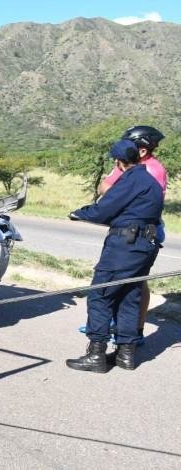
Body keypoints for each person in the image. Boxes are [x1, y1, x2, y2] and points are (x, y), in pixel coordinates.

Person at [66, 139, 163, 373]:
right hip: (145, 245)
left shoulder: (130, 179)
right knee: (129, 296)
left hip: (124, 247)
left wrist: (79, 213)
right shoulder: (150, 181)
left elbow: (105, 209)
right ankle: (126, 355)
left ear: (118, 162)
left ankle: (96, 354)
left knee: (101, 295)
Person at [94, 125, 167, 344]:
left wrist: (118, 193)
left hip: (143, 232)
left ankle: (136, 330)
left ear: (142, 151)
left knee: (135, 284)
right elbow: (103, 187)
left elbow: (120, 195)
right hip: (123, 229)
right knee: (122, 284)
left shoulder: (154, 170)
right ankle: (115, 331)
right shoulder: (127, 164)